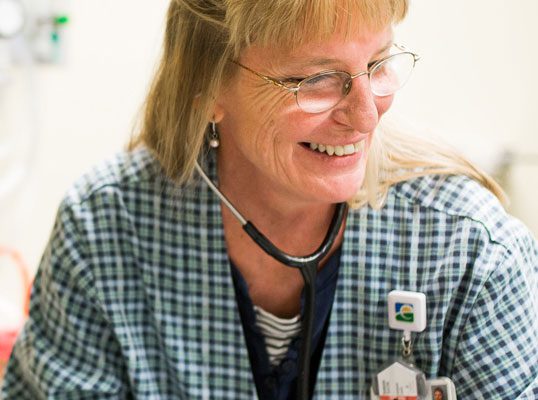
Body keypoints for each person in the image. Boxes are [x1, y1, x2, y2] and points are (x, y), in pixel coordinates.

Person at [2, 0, 538, 398]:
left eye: (378, 63)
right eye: (316, 79)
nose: (366, 116)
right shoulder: (105, 231)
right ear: (206, 85)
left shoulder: (469, 251)